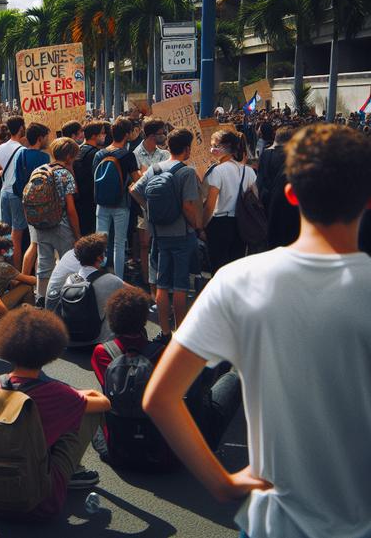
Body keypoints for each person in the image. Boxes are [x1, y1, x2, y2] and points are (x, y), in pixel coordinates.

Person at [144, 124, 371, 538]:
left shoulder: (237, 280)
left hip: (276, 520)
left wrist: (222, 483)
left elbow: (160, 397)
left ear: (291, 194)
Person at [0, 308, 110, 518]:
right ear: (50, 351)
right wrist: (77, 393)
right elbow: (103, 403)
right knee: (85, 413)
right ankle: (73, 471)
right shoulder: (58, 394)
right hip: (39, 501)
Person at [92, 287, 239, 457]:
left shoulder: (101, 353)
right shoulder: (162, 353)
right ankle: (209, 443)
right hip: (161, 449)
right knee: (232, 378)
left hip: (119, 447)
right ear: (143, 320)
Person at [130, 127, 202, 337]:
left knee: (161, 284)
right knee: (179, 286)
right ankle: (180, 333)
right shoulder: (186, 172)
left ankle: (164, 332)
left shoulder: (155, 169)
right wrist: (196, 225)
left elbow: (134, 190)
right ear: (187, 149)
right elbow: (188, 206)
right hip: (181, 234)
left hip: (159, 235)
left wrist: (149, 210)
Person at [27, 137, 81, 297]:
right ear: (69, 157)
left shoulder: (38, 170)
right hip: (61, 224)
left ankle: (41, 298)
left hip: (40, 223)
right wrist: (77, 234)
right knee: (69, 261)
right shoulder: (65, 174)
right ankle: (67, 297)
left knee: (44, 263)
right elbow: (70, 209)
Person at [92, 117, 141, 281]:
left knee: (100, 243)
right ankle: (118, 280)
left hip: (101, 203)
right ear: (127, 134)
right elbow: (137, 181)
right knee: (119, 244)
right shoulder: (128, 156)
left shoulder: (99, 154)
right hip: (121, 204)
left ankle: (98, 276)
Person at [203, 129, 257, 272]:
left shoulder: (217, 171)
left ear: (224, 148)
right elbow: (255, 199)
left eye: (214, 145)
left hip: (219, 224)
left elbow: (210, 205)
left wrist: (201, 226)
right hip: (242, 224)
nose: (211, 149)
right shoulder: (249, 171)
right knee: (236, 268)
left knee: (218, 268)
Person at [132, 119, 171, 287]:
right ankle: (149, 284)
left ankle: (162, 282)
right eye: (162, 133)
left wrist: (145, 175)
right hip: (143, 207)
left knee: (161, 245)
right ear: (151, 136)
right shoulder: (134, 154)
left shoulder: (165, 155)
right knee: (145, 244)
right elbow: (137, 185)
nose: (165, 136)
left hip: (163, 207)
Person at [72, 121, 105, 237]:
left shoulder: (77, 151)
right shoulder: (96, 154)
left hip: (78, 201)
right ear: (93, 136)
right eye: (102, 133)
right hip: (91, 202)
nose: (104, 136)